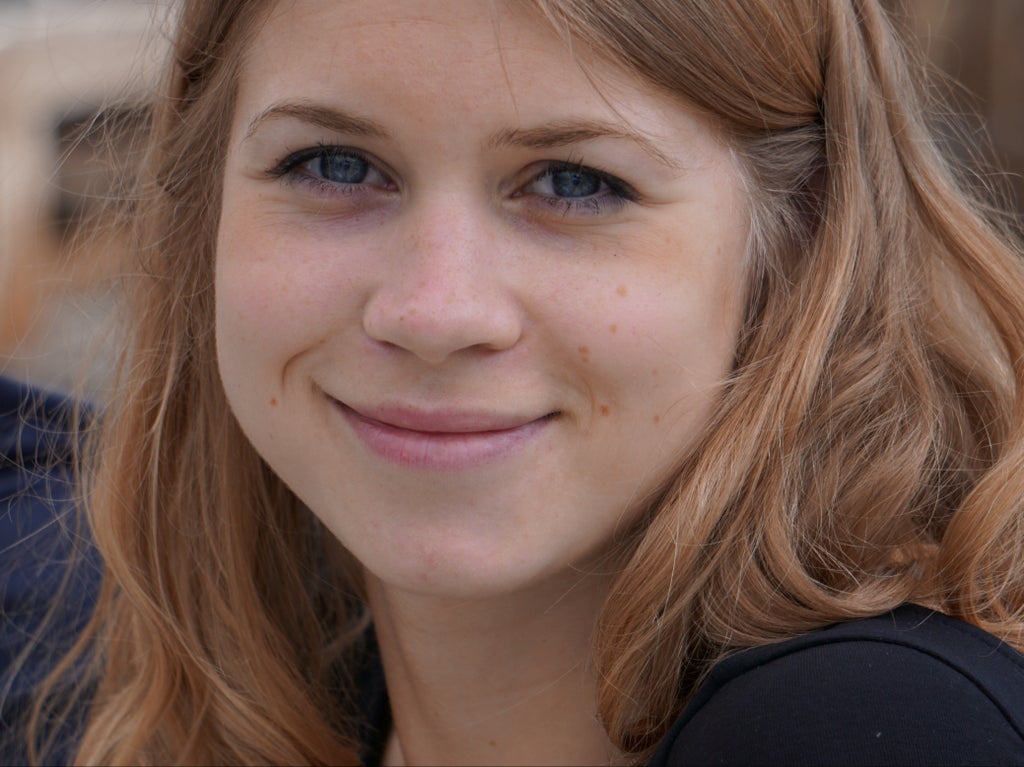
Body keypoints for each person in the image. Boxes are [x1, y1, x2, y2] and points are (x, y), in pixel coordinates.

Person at [6, 0, 1024, 764]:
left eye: (576, 182)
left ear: (798, 240)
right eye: (335, 165)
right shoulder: (168, 682)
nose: (434, 311)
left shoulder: (875, 723)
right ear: (203, 214)